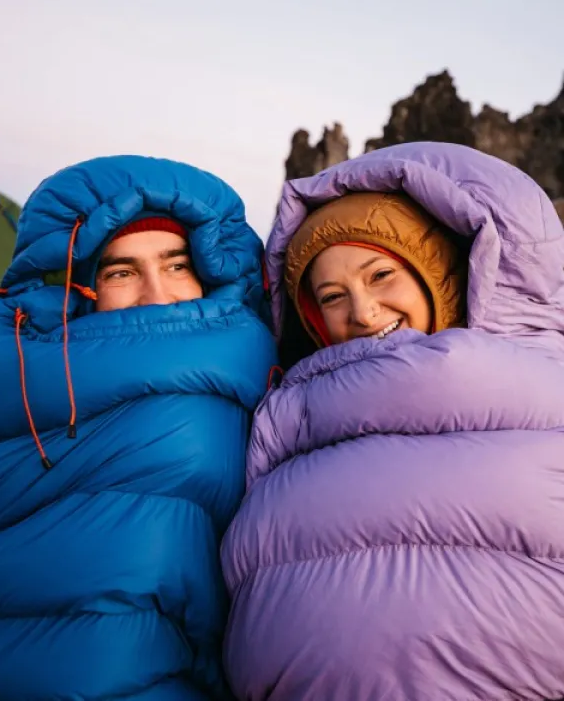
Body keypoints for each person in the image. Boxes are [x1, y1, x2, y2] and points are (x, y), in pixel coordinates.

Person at [221, 142, 564, 701]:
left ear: (439, 275)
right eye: (332, 295)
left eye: (381, 274)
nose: (362, 311)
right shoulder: (283, 423)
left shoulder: (543, 397)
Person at [0, 155, 276, 701]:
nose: (157, 294)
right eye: (122, 272)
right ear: (77, 290)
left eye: (177, 265)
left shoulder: (259, 376)